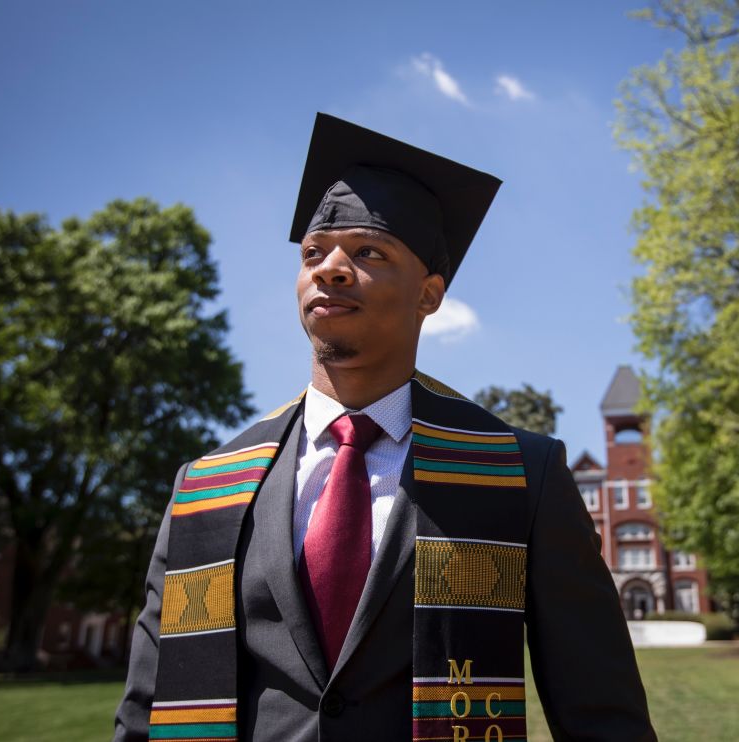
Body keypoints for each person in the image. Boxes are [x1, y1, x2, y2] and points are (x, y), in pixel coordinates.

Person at [115, 113, 656, 741]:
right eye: (314, 254)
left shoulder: (519, 475)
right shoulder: (209, 484)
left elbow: (601, 712)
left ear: (429, 295)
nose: (331, 268)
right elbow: (148, 709)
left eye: (368, 252)